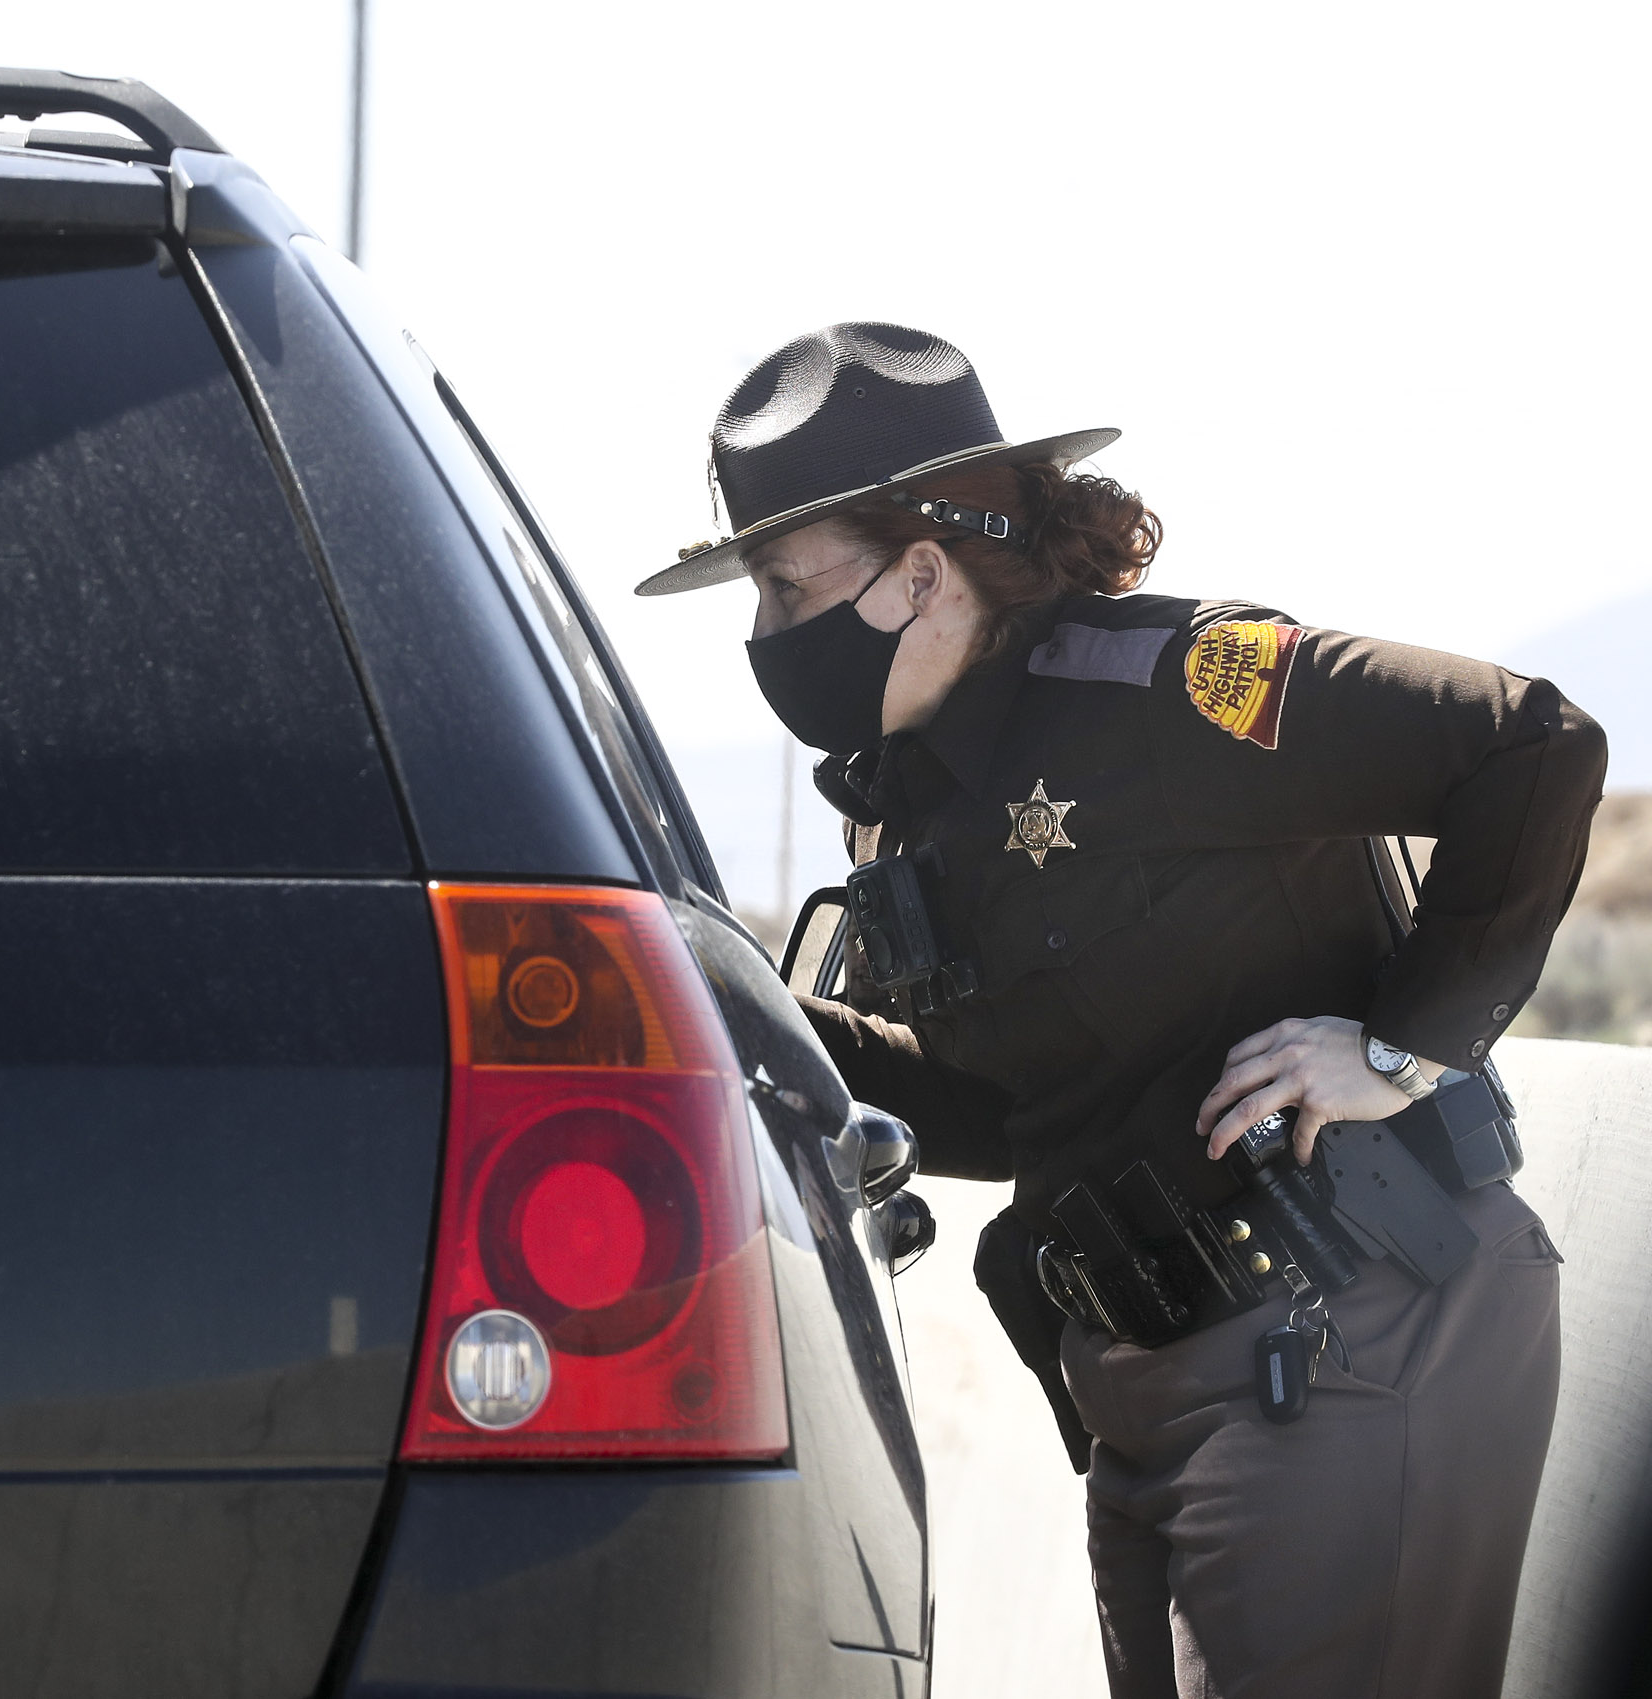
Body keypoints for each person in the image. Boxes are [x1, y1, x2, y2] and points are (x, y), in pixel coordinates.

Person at [638, 323, 1602, 1699]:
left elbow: (1532, 741)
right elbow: (1012, 1103)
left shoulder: (1166, 690)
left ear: (922, 571)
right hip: (1149, 1389)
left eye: (788, 589)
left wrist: (1403, 1046)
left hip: (1345, 1336)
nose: (766, 638)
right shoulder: (908, 805)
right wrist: (736, 1013)